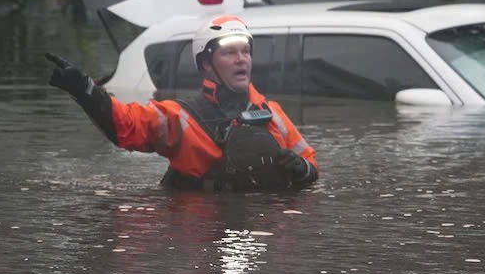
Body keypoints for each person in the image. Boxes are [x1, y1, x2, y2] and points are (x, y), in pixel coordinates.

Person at [44, 14, 319, 191]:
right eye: (229, 53)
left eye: (246, 52)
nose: (241, 59)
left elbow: (311, 164)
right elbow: (123, 124)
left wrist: (303, 169)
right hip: (198, 235)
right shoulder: (179, 118)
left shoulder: (272, 114)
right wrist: (83, 88)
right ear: (206, 65)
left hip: (259, 232)